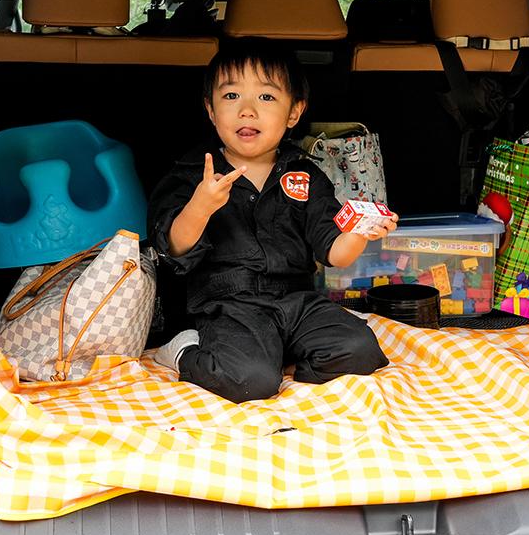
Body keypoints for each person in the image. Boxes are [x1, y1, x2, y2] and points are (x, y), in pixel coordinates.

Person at [148, 39, 394, 403]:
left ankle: (275, 355)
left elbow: (335, 253)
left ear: (294, 113)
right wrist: (200, 206)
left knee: (360, 349)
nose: (247, 111)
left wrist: (359, 232)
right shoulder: (193, 175)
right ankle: (185, 352)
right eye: (231, 96)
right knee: (251, 381)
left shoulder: (306, 176)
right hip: (229, 306)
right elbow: (173, 249)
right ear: (211, 110)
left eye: (266, 97)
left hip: (297, 300)